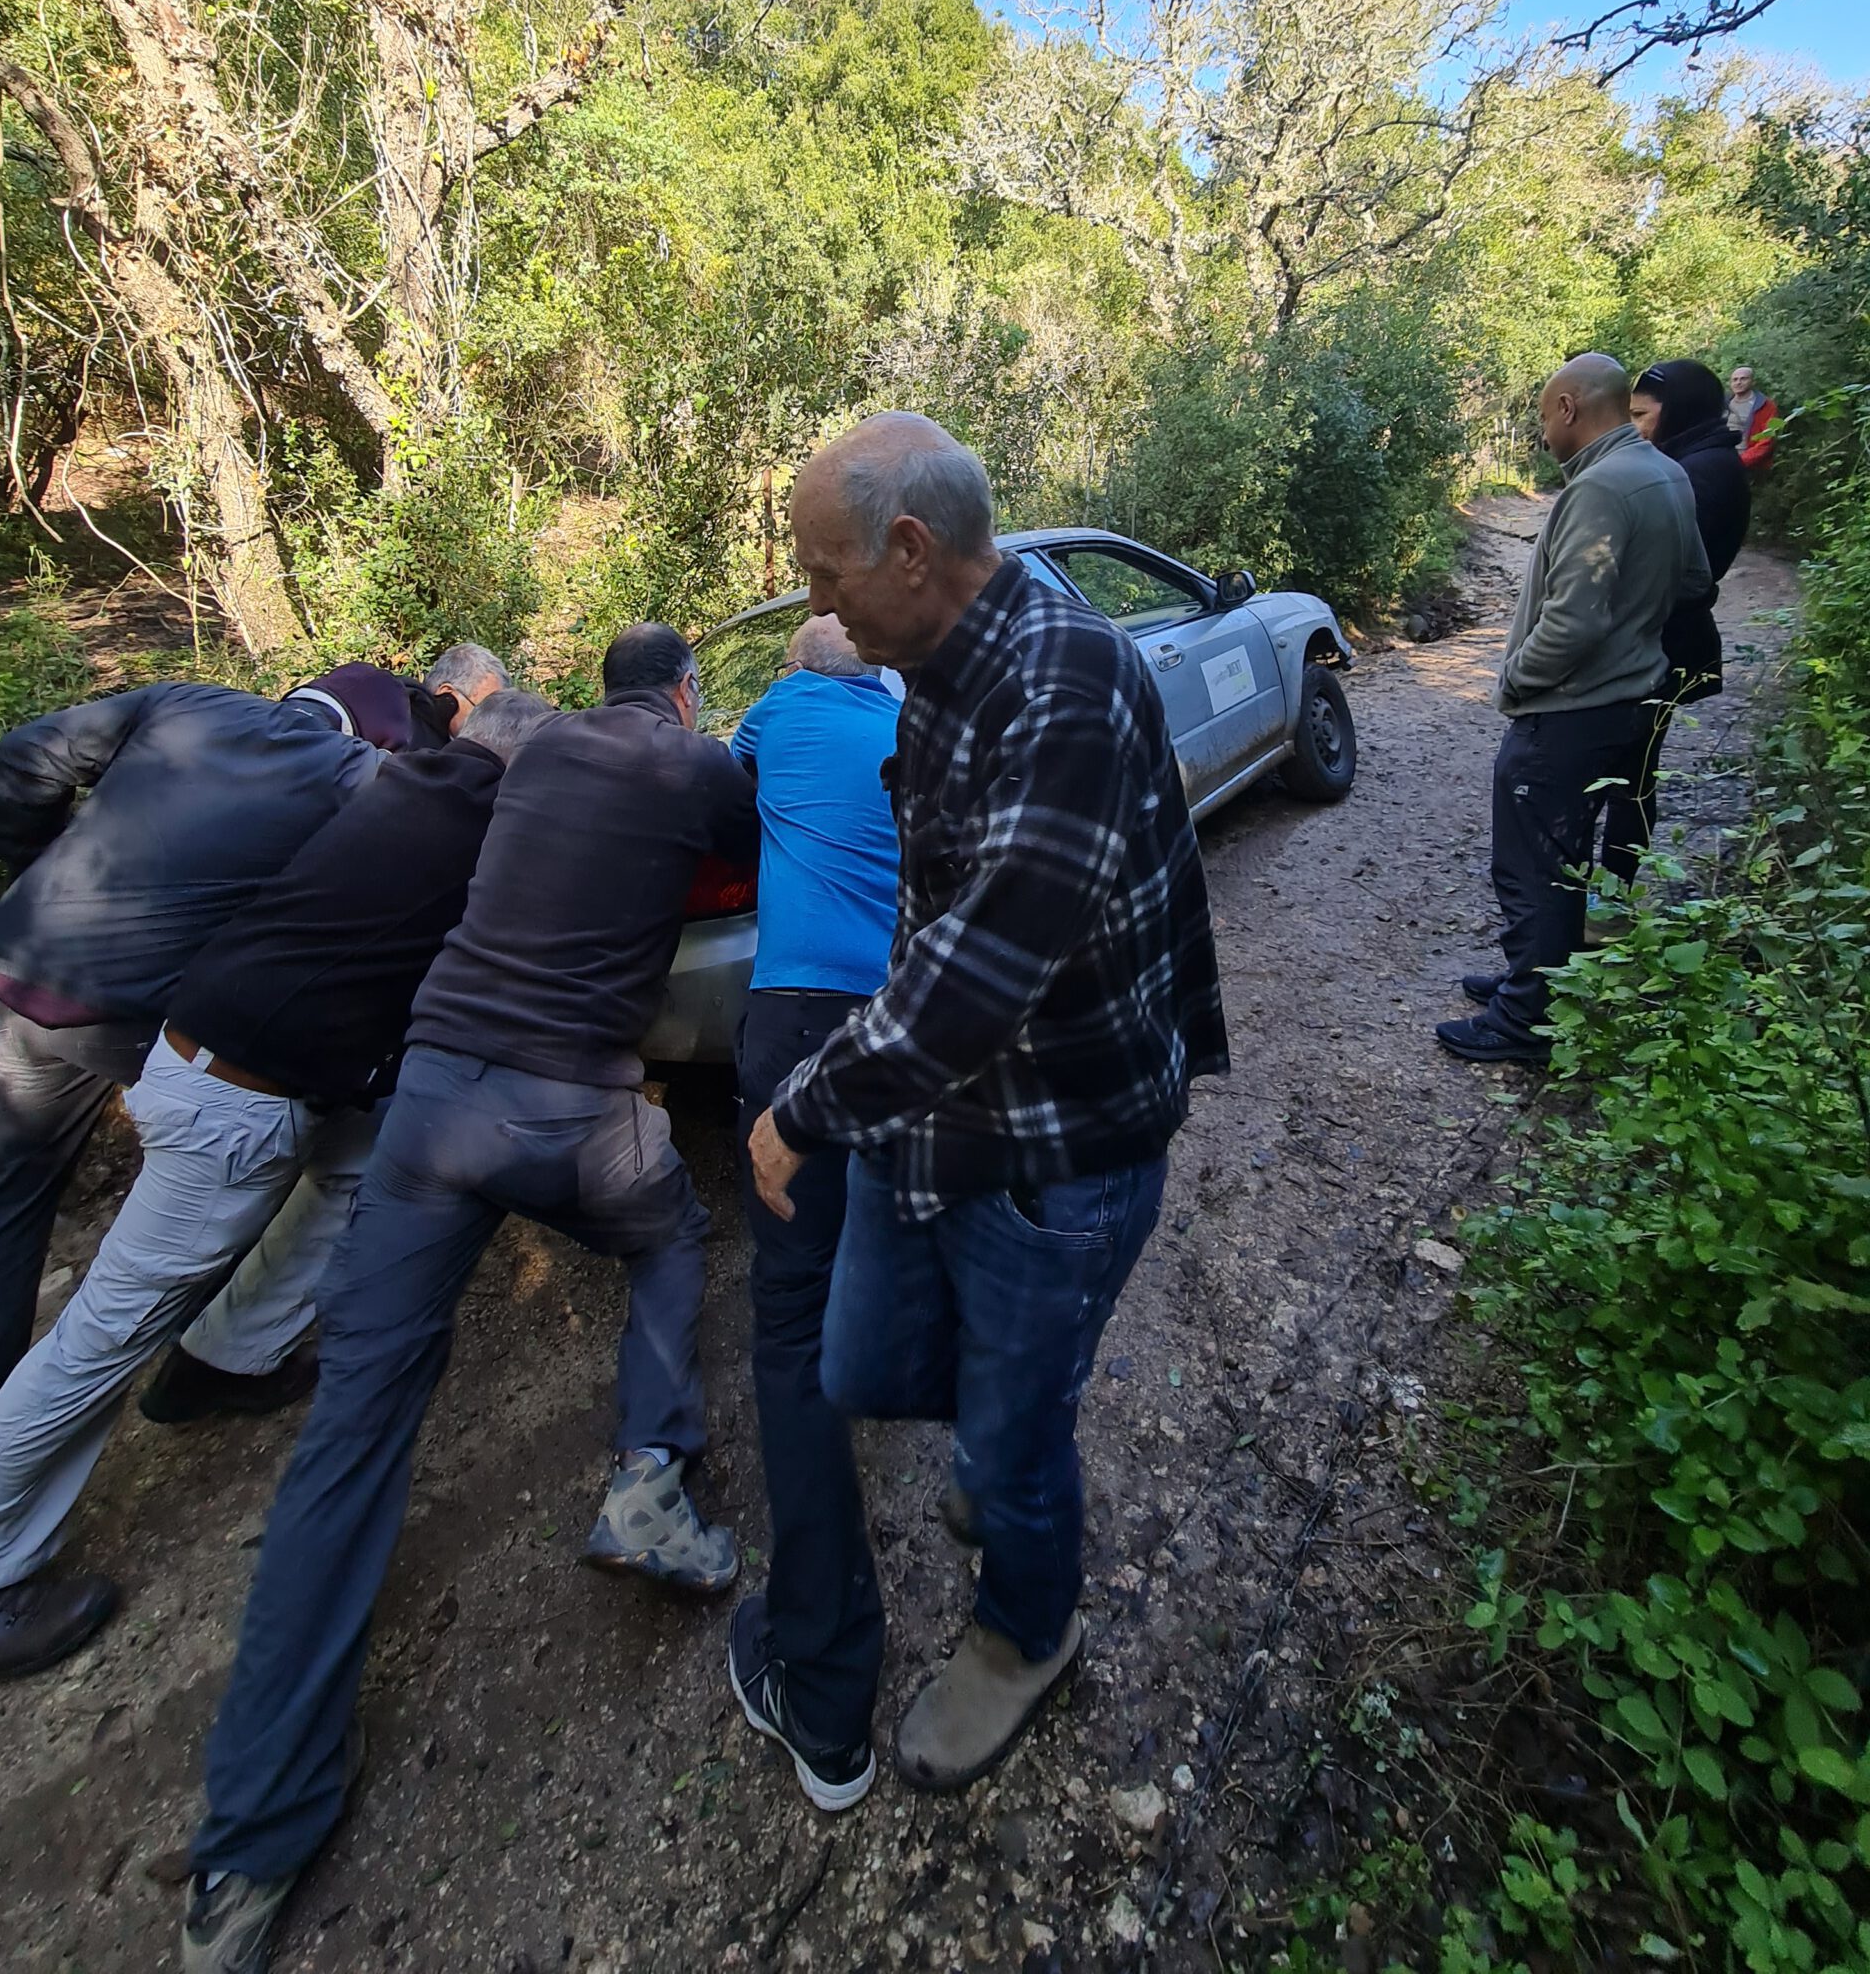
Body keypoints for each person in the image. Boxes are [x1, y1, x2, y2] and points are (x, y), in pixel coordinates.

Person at [180, 625, 757, 1974]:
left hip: (430, 1103)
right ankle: (650, 1478)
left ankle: (245, 1850)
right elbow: (770, 807)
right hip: (572, 1108)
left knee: (354, 1433)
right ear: (680, 695)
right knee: (671, 1233)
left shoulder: (529, 742)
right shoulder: (693, 762)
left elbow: (472, 742)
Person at [744, 414, 1228, 1797]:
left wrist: (800, 1106)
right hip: (953, 1117)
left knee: (1016, 1438)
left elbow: (975, 976)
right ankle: (1008, 1441)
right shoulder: (936, 659)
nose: (814, 599)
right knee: (860, 1359)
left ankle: (1028, 1626)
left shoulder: (1063, 678)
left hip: (1055, 1147)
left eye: (824, 570)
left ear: (908, 549)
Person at [0, 690, 553, 1682]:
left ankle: (225, 1354)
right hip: (198, 1067)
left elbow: (25, 756)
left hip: (63, 994)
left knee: (364, 1148)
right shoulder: (370, 789)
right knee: (109, 1321)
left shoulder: (229, 724)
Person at [0, 676, 393, 1468]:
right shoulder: (347, 773)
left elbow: (22, 760)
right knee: (297, 1139)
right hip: (118, 1015)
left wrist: (41, 869)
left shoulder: (184, 703)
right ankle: (219, 1351)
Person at [726, 614, 901, 1812]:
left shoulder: (776, 713)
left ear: (797, 668)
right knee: (911, 1255)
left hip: (795, 1027)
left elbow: (712, 777)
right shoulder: (911, 719)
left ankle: (826, 1700)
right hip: (910, 1023)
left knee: (789, 1329)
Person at [1439, 354, 1711, 1066]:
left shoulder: (1599, 489)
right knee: (1565, 859)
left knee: (1534, 866)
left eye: (1540, 415)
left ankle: (1525, 1020)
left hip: (1571, 711)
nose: (1541, 431)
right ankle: (1534, 981)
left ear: (1568, 408)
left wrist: (1517, 680)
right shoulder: (1666, 473)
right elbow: (1695, 582)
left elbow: (1573, 622)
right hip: (1632, 701)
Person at [1604, 360, 1754, 880]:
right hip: (1662, 642)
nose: (1635, 427)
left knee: (1629, 775)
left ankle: (1609, 898)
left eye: (1642, 415)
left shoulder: (1700, 473)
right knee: (1629, 771)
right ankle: (1605, 894)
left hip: (1662, 646)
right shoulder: (1697, 460)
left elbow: (1672, 575)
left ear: (1680, 410)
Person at [1726, 364, 1782, 474]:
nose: (1738, 382)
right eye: (1735, 380)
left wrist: (1742, 461)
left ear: (1752, 381)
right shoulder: (1723, 403)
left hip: (1748, 463)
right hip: (1721, 459)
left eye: (1743, 379)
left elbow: (1767, 440)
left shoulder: (1765, 406)